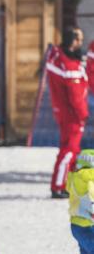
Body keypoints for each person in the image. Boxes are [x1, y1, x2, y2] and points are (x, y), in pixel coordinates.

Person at [47, 26, 88, 199]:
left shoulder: (57, 56)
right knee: (70, 149)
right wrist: (83, 114)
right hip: (72, 114)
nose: (81, 42)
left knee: (69, 148)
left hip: (63, 111)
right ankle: (58, 185)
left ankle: (66, 183)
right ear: (73, 41)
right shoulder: (69, 65)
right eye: (79, 39)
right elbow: (75, 96)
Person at [66, 149, 94, 254]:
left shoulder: (75, 177)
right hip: (88, 225)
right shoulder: (90, 178)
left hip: (76, 224)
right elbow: (91, 199)